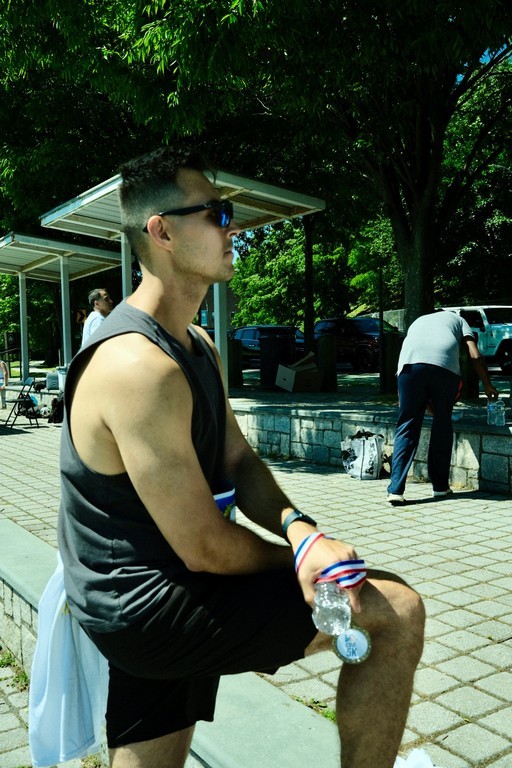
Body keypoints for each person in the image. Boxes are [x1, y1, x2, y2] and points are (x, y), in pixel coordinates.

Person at [58, 146, 425, 768]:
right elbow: (204, 547)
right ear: (162, 232)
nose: (235, 228)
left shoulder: (197, 344)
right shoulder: (136, 366)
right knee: (396, 612)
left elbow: (239, 461)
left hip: (160, 585)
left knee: (155, 747)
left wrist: (301, 531)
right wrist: (303, 563)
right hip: (149, 606)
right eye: (218, 214)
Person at [387, 310, 498, 505]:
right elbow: (474, 355)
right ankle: (440, 486)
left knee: (406, 425)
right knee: (442, 423)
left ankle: (395, 490)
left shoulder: (419, 320)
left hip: (408, 367)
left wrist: (407, 399)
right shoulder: (459, 320)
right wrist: (488, 385)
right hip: (444, 368)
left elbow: (413, 357)